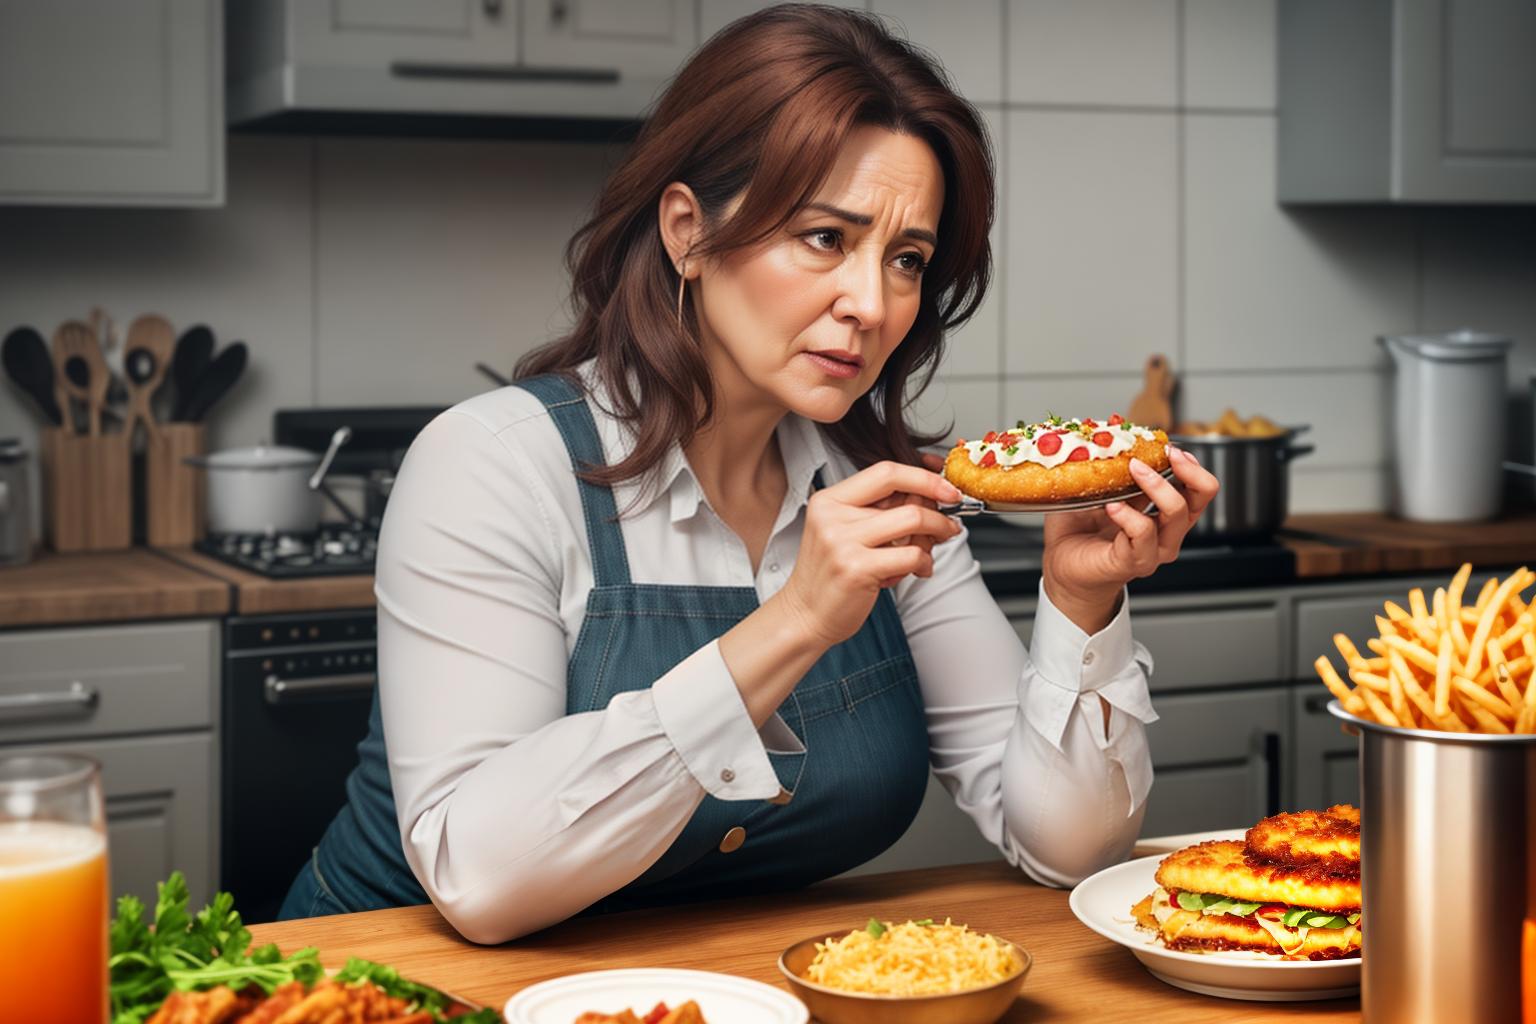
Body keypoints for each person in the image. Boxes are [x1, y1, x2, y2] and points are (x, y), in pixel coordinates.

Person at [278, 4, 1219, 942]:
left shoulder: (879, 486)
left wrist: (1078, 604)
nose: (872, 303)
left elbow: (1066, 849)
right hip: (374, 989)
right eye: (824, 238)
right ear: (688, 231)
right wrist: (798, 620)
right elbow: (477, 880)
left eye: (907, 259)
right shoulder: (490, 465)